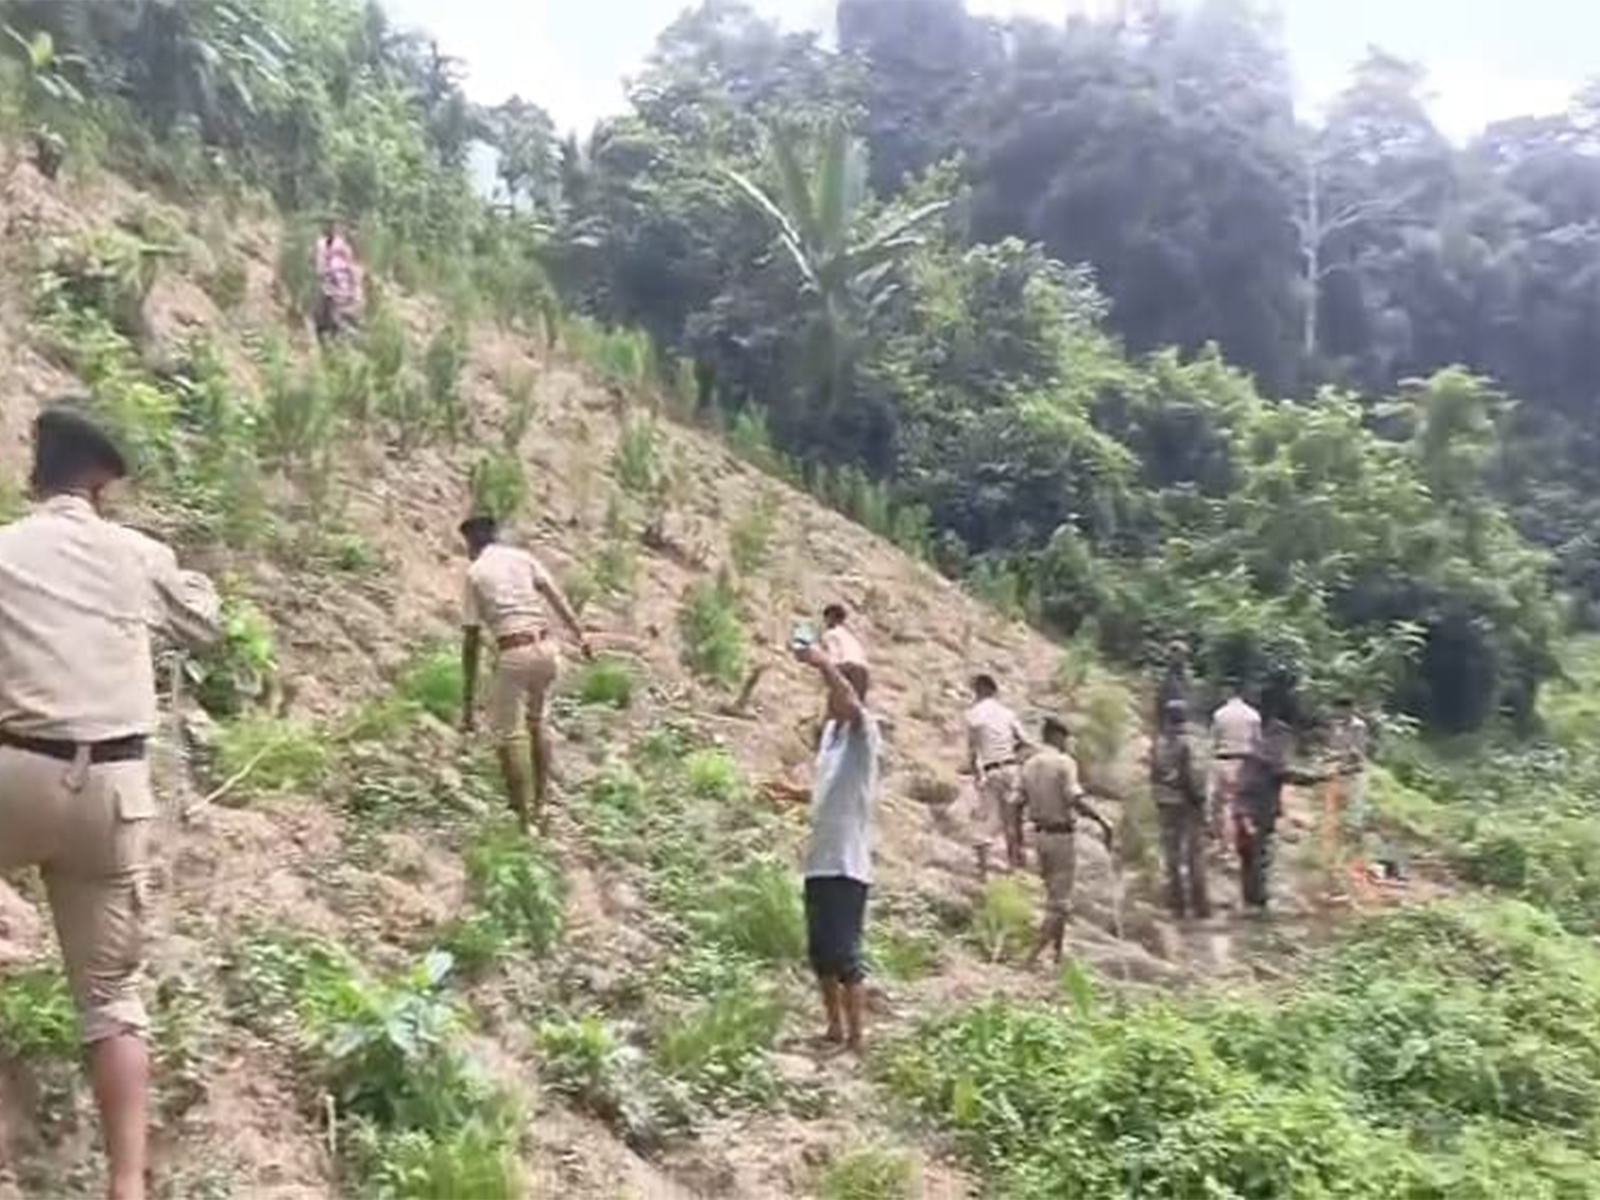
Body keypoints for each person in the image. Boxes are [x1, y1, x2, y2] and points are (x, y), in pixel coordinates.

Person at [0, 407, 222, 1200]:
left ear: (39, 474)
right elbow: (205, 623)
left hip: (15, 775)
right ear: (101, 483)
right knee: (111, 1001)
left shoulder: (6, 551)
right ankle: (126, 1185)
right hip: (114, 794)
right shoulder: (136, 554)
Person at [458, 515, 593, 835]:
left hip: (513, 652)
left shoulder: (475, 573)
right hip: (547, 649)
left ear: (472, 543)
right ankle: (542, 804)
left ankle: (523, 821)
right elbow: (554, 595)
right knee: (538, 722)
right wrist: (580, 634)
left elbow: (471, 639)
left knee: (508, 736)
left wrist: (467, 704)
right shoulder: (522, 557)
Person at [796, 642, 879, 1054]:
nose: (829, 698)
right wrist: (794, 794)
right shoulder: (830, 737)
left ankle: (857, 1036)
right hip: (819, 861)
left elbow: (847, 699)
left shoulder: (866, 731)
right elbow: (827, 790)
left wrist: (823, 662)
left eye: (836, 691)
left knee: (845, 953)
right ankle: (833, 1028)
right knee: (820, 953)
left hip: (847, 864)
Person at [1019, 717, 1113, 969]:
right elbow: (1074, 798)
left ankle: (1058, 956)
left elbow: (1017, 801)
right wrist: (1102, 820)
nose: (1069, 743)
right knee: (1059, 903)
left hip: (1038, 836)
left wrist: (1017, 840)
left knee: (1055, 896)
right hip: (1061, 836)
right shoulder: (1063, 763)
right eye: (1067, 738)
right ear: (1058, 736)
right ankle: (1030, 958)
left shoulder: (1028, 764)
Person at [965, 673, 1030, 878]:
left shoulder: (973, 714)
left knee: (988, 820)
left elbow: (973, 752)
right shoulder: (1007, 713)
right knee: (1011, 822)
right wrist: (1016, 756)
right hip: (1011, 768)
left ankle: (982, 871)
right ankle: (1014, 870)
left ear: (980, 689)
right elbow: (1025, 741)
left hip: (991, 770)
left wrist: (977, 777)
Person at [1151, 698, 1210, 919]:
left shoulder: (1159, 742)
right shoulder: (1188, 743)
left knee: (1171, 855)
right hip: (1187, 803)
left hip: (1165, 802)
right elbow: (1190, 776)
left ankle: (1177, 905)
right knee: (1194, 855)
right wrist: (1199, 800)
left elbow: (1154, 774)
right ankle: (1200, 906)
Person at [1208, 682, 1261, 825]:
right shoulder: (1253, 715)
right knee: (1245, 805)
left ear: (1228, 694)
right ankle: (1247, 841)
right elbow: (1258, 742)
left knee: (1227, 805)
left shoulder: (1219, 714)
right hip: (1246, 764)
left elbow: (1213, 741)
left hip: (1224, 761)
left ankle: (1228, 844)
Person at [313, 219, 363, 339]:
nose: (332, 229)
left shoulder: (343, 247)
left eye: (334, 227)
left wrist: (353, 287)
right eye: (329, 226)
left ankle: (336, 334)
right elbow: (318, 263)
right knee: (324, 310)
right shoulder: (321, 244)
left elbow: (350, 268)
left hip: (339, 286)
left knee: (335, 312)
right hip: (326, 283)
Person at [818, 602, 867, 669]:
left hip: (848, 666)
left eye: (826, 618)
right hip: (863, 669)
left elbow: (833, 655)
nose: (824, 621)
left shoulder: (831, 633)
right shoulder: (849, 633)